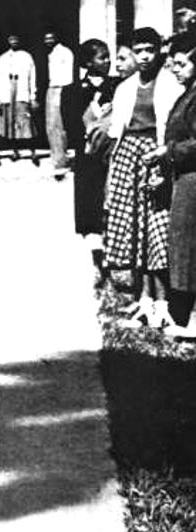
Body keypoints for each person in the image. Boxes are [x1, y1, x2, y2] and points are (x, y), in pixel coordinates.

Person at [105, 27, 183, 329]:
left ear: (159, 51)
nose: (145, 56)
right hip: (129, 157)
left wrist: (163, 158)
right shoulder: (124, 87)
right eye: (140, 51)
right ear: (133, 53)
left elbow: (172, 129)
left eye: (151, 50)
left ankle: (162, 302)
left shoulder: (171, 86)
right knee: (133, 229)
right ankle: (143, 301)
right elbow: (116, 131)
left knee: (157, 228)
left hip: (157, 156)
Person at [144, 39, 196, 337]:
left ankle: (192, 319)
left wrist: (168, 151)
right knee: (184, 248)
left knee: (190, 248)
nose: (175, 69)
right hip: (183, 179)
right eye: (173, 63)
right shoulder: (186, 94)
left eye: (182, 64)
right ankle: (185, 317)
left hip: (193, 181)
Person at [64, 39, 124, 278]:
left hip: (111, 155)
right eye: (102, 57)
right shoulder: (73, 90)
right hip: (87, 157)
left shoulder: (118, 86)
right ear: (88, 62)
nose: (108, 61)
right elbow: (70, 124)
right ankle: (97, 260)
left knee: (111, 204)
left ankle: (114, 256)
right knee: (89, 206)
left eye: (109, 56)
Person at [0, 32, 38, 164]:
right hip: (7, 93)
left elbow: (32, 77)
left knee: (26, 123)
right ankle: (15, 151)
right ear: (8, 41)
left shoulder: (27, 57)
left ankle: (33, 152)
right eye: (11, 39)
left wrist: (32, 96)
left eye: (16, 39)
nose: (14, 41)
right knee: (10, 125)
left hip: (22, 92)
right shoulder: (2, 58)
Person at [42, 29, 74, 179]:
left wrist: (63, 94)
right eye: (46, 39)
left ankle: (61, 161)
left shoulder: (65, 53)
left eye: (50, 38)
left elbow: (68, 77)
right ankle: (56, 157)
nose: (48, 41)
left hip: (61, 90)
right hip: (52, 89)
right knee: (50, 126)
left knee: (58, 126)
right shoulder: (51, 54)